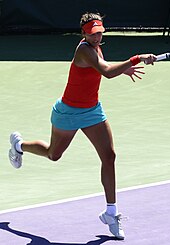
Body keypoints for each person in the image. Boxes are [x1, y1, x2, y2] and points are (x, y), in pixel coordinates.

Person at [8, 12, 156, 240]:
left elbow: (104, 66)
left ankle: (111, 212)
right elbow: (106, 72)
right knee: (53, 155)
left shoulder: (96, 47)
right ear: (84, 33)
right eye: (93, 34)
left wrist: (123, 68)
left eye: (100, 33)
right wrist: (135, 59)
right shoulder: (83, 50)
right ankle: (20, 146)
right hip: (68, 112)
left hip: (92, 111)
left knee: (109, 156)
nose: (97, 38)